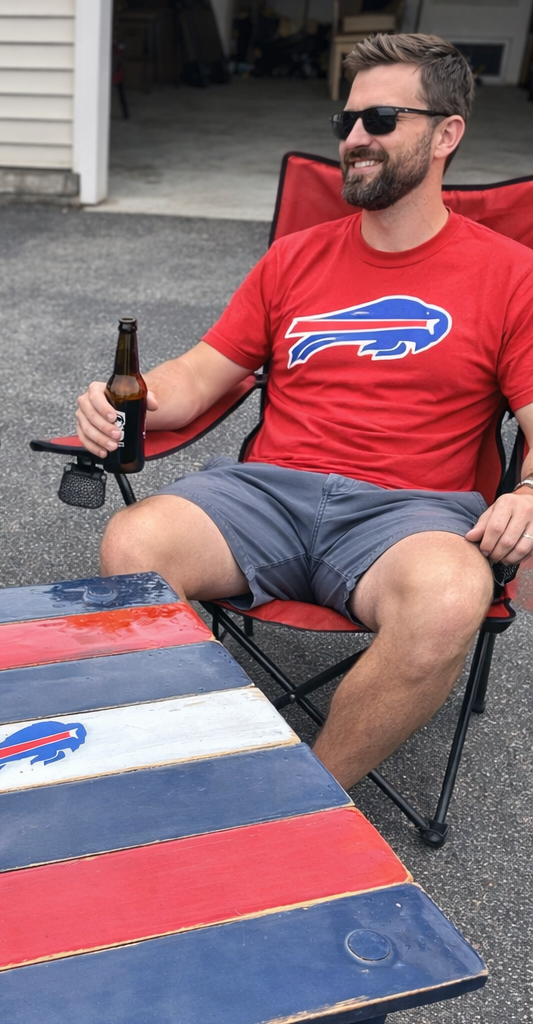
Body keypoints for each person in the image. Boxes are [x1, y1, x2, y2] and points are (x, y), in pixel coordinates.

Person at [76, 33, 533, 794]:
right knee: (137, 539)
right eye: (346, 122)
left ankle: (300, 803)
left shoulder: (512, 276)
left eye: (381, 119)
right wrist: (129, 399)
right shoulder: (294, 257)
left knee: (453, 591)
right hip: (267, 496)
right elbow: (197, 376)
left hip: (410, 516)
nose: (354, 139)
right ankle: (205, 760)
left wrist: (526, 496)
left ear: (447, 133)